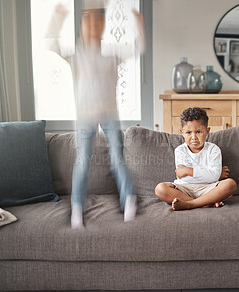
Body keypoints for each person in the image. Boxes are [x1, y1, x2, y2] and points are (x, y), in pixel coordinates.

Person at [46, 2, 145, 228]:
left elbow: (138, 48)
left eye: (97, 23)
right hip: (85, 118)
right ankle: (77, 208)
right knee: (82, 162)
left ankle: (128, 199)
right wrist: (57, 19)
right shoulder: (76, 56)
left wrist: (138, 24)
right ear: (81, 27)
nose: (92, 27)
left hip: (110, 115)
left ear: (102, 29)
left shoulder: (111, 55)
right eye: (88, 23)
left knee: (117, 159)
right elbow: (51, 43)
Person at [155, 107, 237, 211]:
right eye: (188, 132)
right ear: (182, 133)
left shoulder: (213, 149)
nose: (193, 137)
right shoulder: (180, 150)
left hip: (208, 189)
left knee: (230, 184)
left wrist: (188, 171)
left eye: (198, 132)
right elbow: (185, 178)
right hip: (185, 188)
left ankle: (190, 204)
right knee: (160, 189)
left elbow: (213, 176)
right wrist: (213, 174)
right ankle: (205, 203)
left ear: (207, 131)